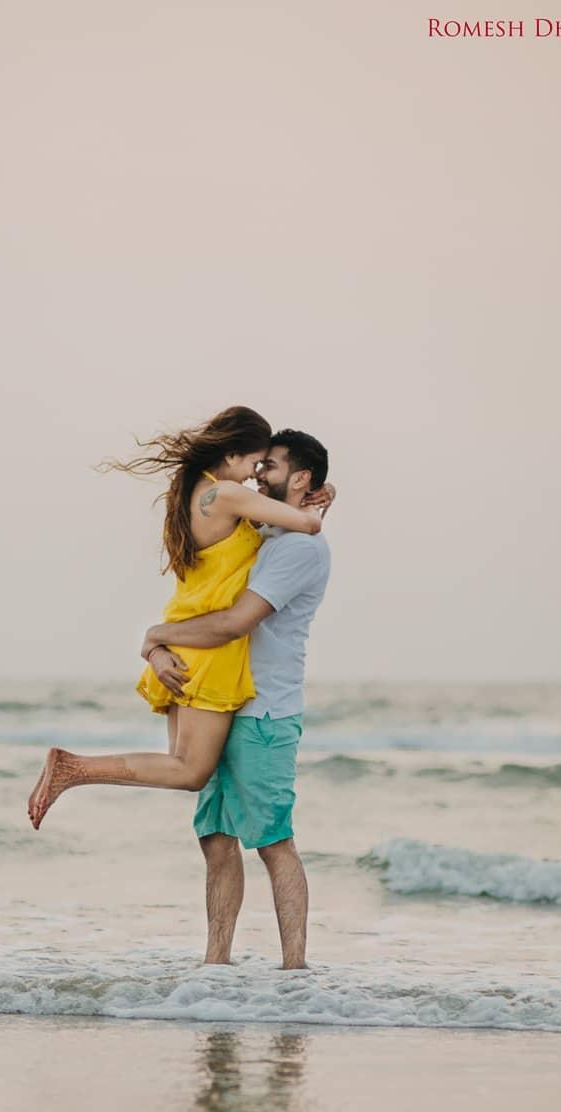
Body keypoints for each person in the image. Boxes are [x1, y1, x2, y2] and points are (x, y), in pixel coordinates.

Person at [27, 407, 329, 830]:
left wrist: (321, 490)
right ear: (231, 453)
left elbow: (274, 522)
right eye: (251, 463)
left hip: (184, 635)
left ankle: (74, 769)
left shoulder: (196, 492)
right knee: (191, 771)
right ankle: (74, 768)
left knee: (179, 764)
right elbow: (305, 525)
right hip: (209, 644)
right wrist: (320, 500)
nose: (252, 475)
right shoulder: (227, 495)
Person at [138, 430, 332, 969]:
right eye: (256, 464)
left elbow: (235, 622)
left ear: (298, 479)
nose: (256, 476)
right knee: (217, 840)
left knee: (274, 843)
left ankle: (295, 971)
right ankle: (215, 965)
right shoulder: (269, 529)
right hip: (223, 703)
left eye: (268, 467)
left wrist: (156, 636)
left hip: (265, 710)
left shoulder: (297, 548)